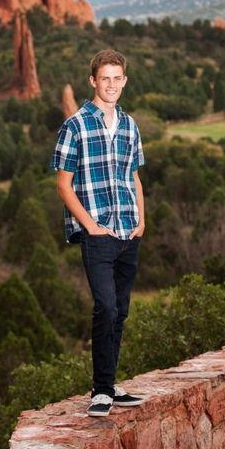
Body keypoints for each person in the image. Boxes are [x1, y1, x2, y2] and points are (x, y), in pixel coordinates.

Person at [49, 49, 146, 417]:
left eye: (117, 78)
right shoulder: (75, 126)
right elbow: (63, 184)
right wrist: (90, 226)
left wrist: (142, 220)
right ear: (93, 81)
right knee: (104, 306)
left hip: (128, 230)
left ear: (124, 81)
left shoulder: (129, 125)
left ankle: (108, 383)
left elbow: (133, 176)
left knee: (120, 310)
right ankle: (101, 391)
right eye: (104, 78)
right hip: (98, 235)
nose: (111, 85)